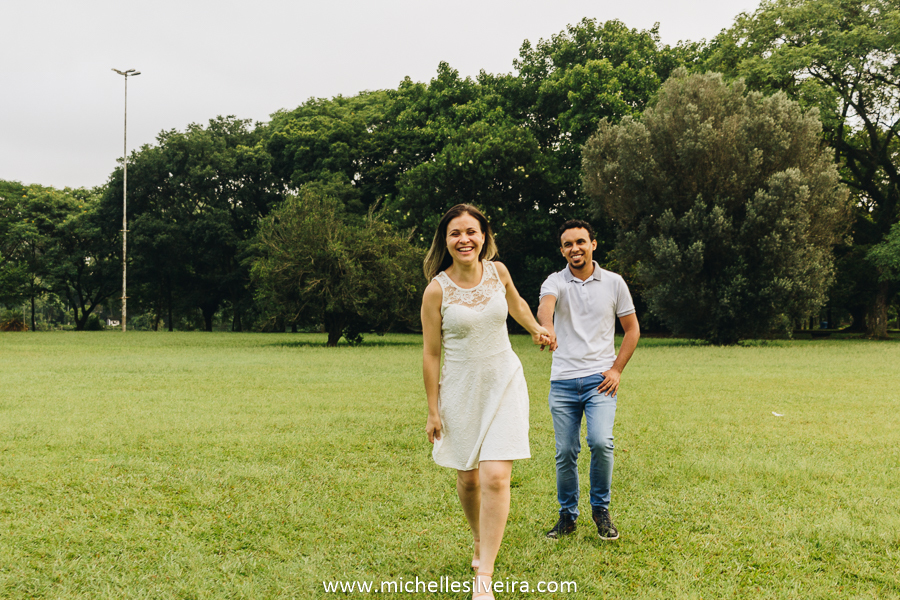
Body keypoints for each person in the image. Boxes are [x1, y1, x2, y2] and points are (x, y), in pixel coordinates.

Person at [421, 204, 550, 599]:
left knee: (496, 476)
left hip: (505, 379)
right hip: (461, 389)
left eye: (471, 232)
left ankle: (485, 577)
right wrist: (433, 409)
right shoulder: (436, 290)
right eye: (455, 233)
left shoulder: (498, 271)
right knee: (468, 477)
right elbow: (430, 354)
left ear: (483, 235)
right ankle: (478, 537)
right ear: (445, 241)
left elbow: (516, 303)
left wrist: (536, 329)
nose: (465, 239)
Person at [537, 220, 640, 541]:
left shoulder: (614, 282)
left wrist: (616, 370)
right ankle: (567, 516)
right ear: (562, 250)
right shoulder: (555, 281)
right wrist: (547, 328)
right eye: (568, 244)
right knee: (566, 451)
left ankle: (601, 511)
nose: (574, 249)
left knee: (600, 442)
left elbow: (632, 330)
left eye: (580, 242)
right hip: (563, 381)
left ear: (593, 244)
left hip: (600, 382)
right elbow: (545, 307)